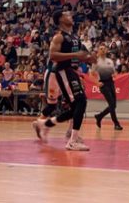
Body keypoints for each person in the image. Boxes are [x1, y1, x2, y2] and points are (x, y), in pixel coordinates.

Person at [33, 10, 95, 151]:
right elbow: (53, 55)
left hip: (70, 72)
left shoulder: (73, 36)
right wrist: (76, 55)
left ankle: (44, 124)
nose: (71, 16)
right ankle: (72, 140)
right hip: (61, 71)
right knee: (79, 102)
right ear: (61, 20)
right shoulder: (59, 37)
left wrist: (91, 58)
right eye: (67, 15)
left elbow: (81, 54)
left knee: (75, 107)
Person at [92, 44, 123, 130]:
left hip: (111, 83)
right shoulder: (96, 62)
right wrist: (97, 83)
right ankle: (116, 124)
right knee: (112, 104)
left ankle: (99, 116)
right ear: (98, 51)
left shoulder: (110, 61)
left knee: (114, 105)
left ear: (106, 50)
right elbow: (91, 75)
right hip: (103, 84)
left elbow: (113, 72)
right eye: (100, 49)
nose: (102, 50)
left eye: (104, 49)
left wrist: (115, 74)